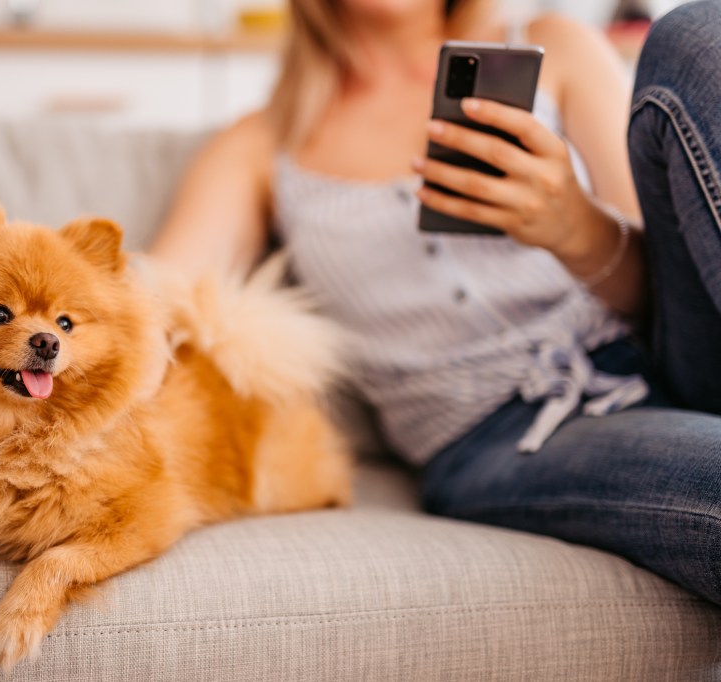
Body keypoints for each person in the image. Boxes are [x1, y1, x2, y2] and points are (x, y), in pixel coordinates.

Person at [150, 0, 721, 605]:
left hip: (671, 352)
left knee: (693, 32)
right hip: (501, 434)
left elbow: (676, 279)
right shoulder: (262, 143)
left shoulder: (559, 52)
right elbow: (151, 299)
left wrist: (578, 231)